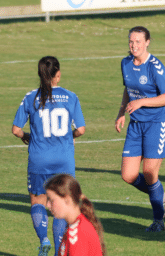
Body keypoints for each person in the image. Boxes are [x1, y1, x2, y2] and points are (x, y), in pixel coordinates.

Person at [12, 56, 86, 256]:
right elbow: (80, 129)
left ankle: (44, 240)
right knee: (61, 206)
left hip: (39, 160)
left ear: (40, 75)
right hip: (64, 160)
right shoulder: (71, 97)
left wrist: (27, 136)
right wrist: (68, 136)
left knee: (38, 202)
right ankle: (58, 253)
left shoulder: (30, 97)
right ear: (58, 75)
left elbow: (16, 130)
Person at [115, 26, 165, 232]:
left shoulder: (155, 67)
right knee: (128, 175)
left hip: (156, 124)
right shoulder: (125, 63)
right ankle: (161, 196)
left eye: (138, 42)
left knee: (149, 171)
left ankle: (158, 220)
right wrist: (122, 112)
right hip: (135, 126)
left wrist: (142, 102)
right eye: (131, 41)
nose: (134, 46)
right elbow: (128, 89)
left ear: (148, 42)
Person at [45, 174, 106, 256]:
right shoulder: (75, 226)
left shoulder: (77, 233)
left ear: (67, 199)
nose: (47, 205)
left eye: (51, 200)